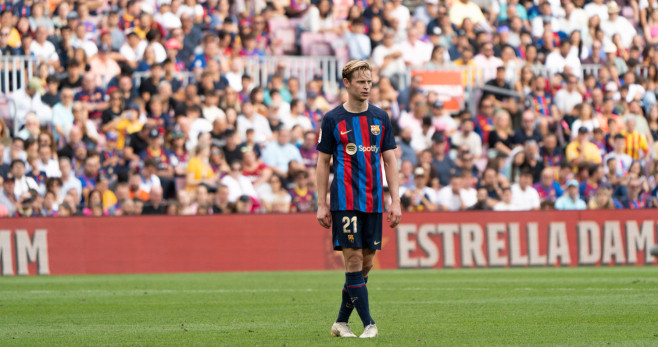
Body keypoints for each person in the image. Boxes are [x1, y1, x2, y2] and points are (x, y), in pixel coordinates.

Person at [316, 60, 401, 339]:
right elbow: (323, 163)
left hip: (374, 201)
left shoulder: (381, 118)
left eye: (369, 82)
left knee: (366, 264)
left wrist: (395, 200)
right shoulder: (332, 119)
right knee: (352, 260)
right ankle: (369, 324)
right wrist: (322, 203)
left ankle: (341, 322)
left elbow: (389, 160)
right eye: (361, 82)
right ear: (347, 83)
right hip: (345, 201)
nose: (366, 87)